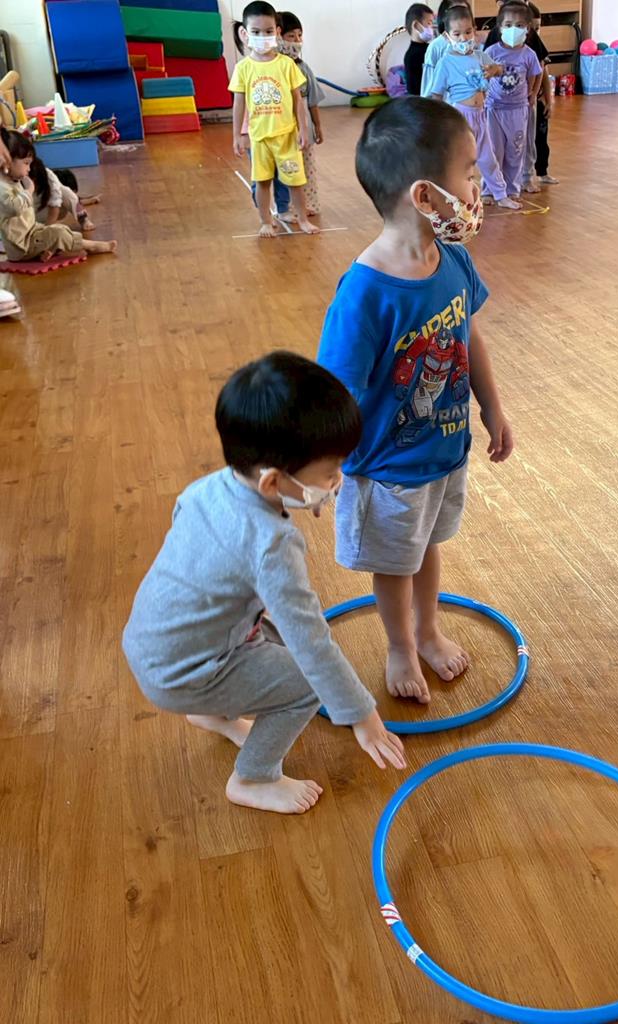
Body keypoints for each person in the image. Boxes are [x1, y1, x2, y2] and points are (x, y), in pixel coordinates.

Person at [123, 352, 407, 816]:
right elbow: (312, 642)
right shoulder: (271, 544)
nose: (337, 480)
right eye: (330, 472)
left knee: (277, 643)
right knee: (306, 684)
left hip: (154, 646)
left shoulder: (207, 488)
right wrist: (363, 715)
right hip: (185, 671)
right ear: (273, 482)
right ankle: (253, 777)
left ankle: (211, 712)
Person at [317, 98, 514, 705]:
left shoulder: (451, 258)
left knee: (428, 545)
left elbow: (469, 333)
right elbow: (335, 392)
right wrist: (324, 466)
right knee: (395, 561)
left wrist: (492, 408)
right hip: (388, 465)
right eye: (469, 173)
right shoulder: (365, 294)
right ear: (425, 196)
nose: (478, 187)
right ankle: (400, 644)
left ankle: (427, 631)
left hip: (443, 449)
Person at [229, 1, 318, 235]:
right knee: (262, 181)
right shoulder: (243, 68)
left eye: (268, 31)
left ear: (277, 32)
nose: (263, 37)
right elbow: (238, 104)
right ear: (245, 34)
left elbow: (297, 99)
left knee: (295, 181)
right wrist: (237, 135)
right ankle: (266, 221)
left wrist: (303, 129)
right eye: (256, 32)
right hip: (259, 139)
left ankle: (302, 219)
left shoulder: (287, 65)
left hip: (286, 136)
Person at [430, 6, 519, 209]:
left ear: (474, 30)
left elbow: (500, 69)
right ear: (447, 36)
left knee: (488, 159)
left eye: (468, 32)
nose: (463, 38)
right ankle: (454, 197)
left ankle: (500, 195)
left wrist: (495, 69)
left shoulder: (479, 55)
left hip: (481, 115)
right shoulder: (446, 62)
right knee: (460, 160)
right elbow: (436, 94)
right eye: (457, 34)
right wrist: (438, 122)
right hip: (461, 117)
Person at [0, 129, 115, 262]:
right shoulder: (2, 186)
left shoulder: (14, 180)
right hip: (22, 247)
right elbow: (14, 208)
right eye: (26, 163)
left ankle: (46, 251)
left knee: (59, 229)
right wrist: (29, 190)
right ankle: (91, 246)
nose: (29, 169)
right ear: (8, 160)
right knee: (59, 234)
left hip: (31, 234)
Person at [485, 3, 542, 204]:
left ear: (527, 28)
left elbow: (535, 74)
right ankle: (490, 189)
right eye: (508, 25)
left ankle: (511, 189)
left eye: (519, 25)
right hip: (494, 108)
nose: (513, 30)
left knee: (515, 151)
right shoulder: (491, 52)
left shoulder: (529, 54)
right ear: (500, 27)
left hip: (518, 110)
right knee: (494, 151)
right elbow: (483, 76)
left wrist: (532, 94)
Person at [271, 11, 325, 220]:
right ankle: (287, 207)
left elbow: (312, 101)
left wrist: (317, 127)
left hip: (304, 130)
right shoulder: (273, 68)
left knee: (307, 168)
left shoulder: (304, 68)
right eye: (291, 36)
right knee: (286, 169)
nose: (297, 40)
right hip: (282, 130)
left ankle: (308, 204)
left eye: (299, 35)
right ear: (279, 36)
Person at [528, 3, 558, 186]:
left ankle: (542, 172)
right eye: (531, 27)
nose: (535, 31)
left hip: (536, 101)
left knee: (541, 138)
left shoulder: (539, 48)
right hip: (519, 103)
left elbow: (545, 75)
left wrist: (548, 101)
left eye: (538, 27)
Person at [29, 155, 95, 231]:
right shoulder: (20, 177)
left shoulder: (49, 177)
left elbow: (55, 206)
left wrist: (46, 229)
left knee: (64, 191)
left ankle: (83, 219)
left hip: (46, 212)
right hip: (28, 217)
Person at [421, 1, 467, 97]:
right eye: (455, 12)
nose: (461, 18)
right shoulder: (436, 47)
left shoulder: (472, 44)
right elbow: (428, 88)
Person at [404, 3, 437, 95]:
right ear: (416, 25)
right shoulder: (412, 56)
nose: (432, 28)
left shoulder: (430, 48)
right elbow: (413, 91)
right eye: (429, 23)